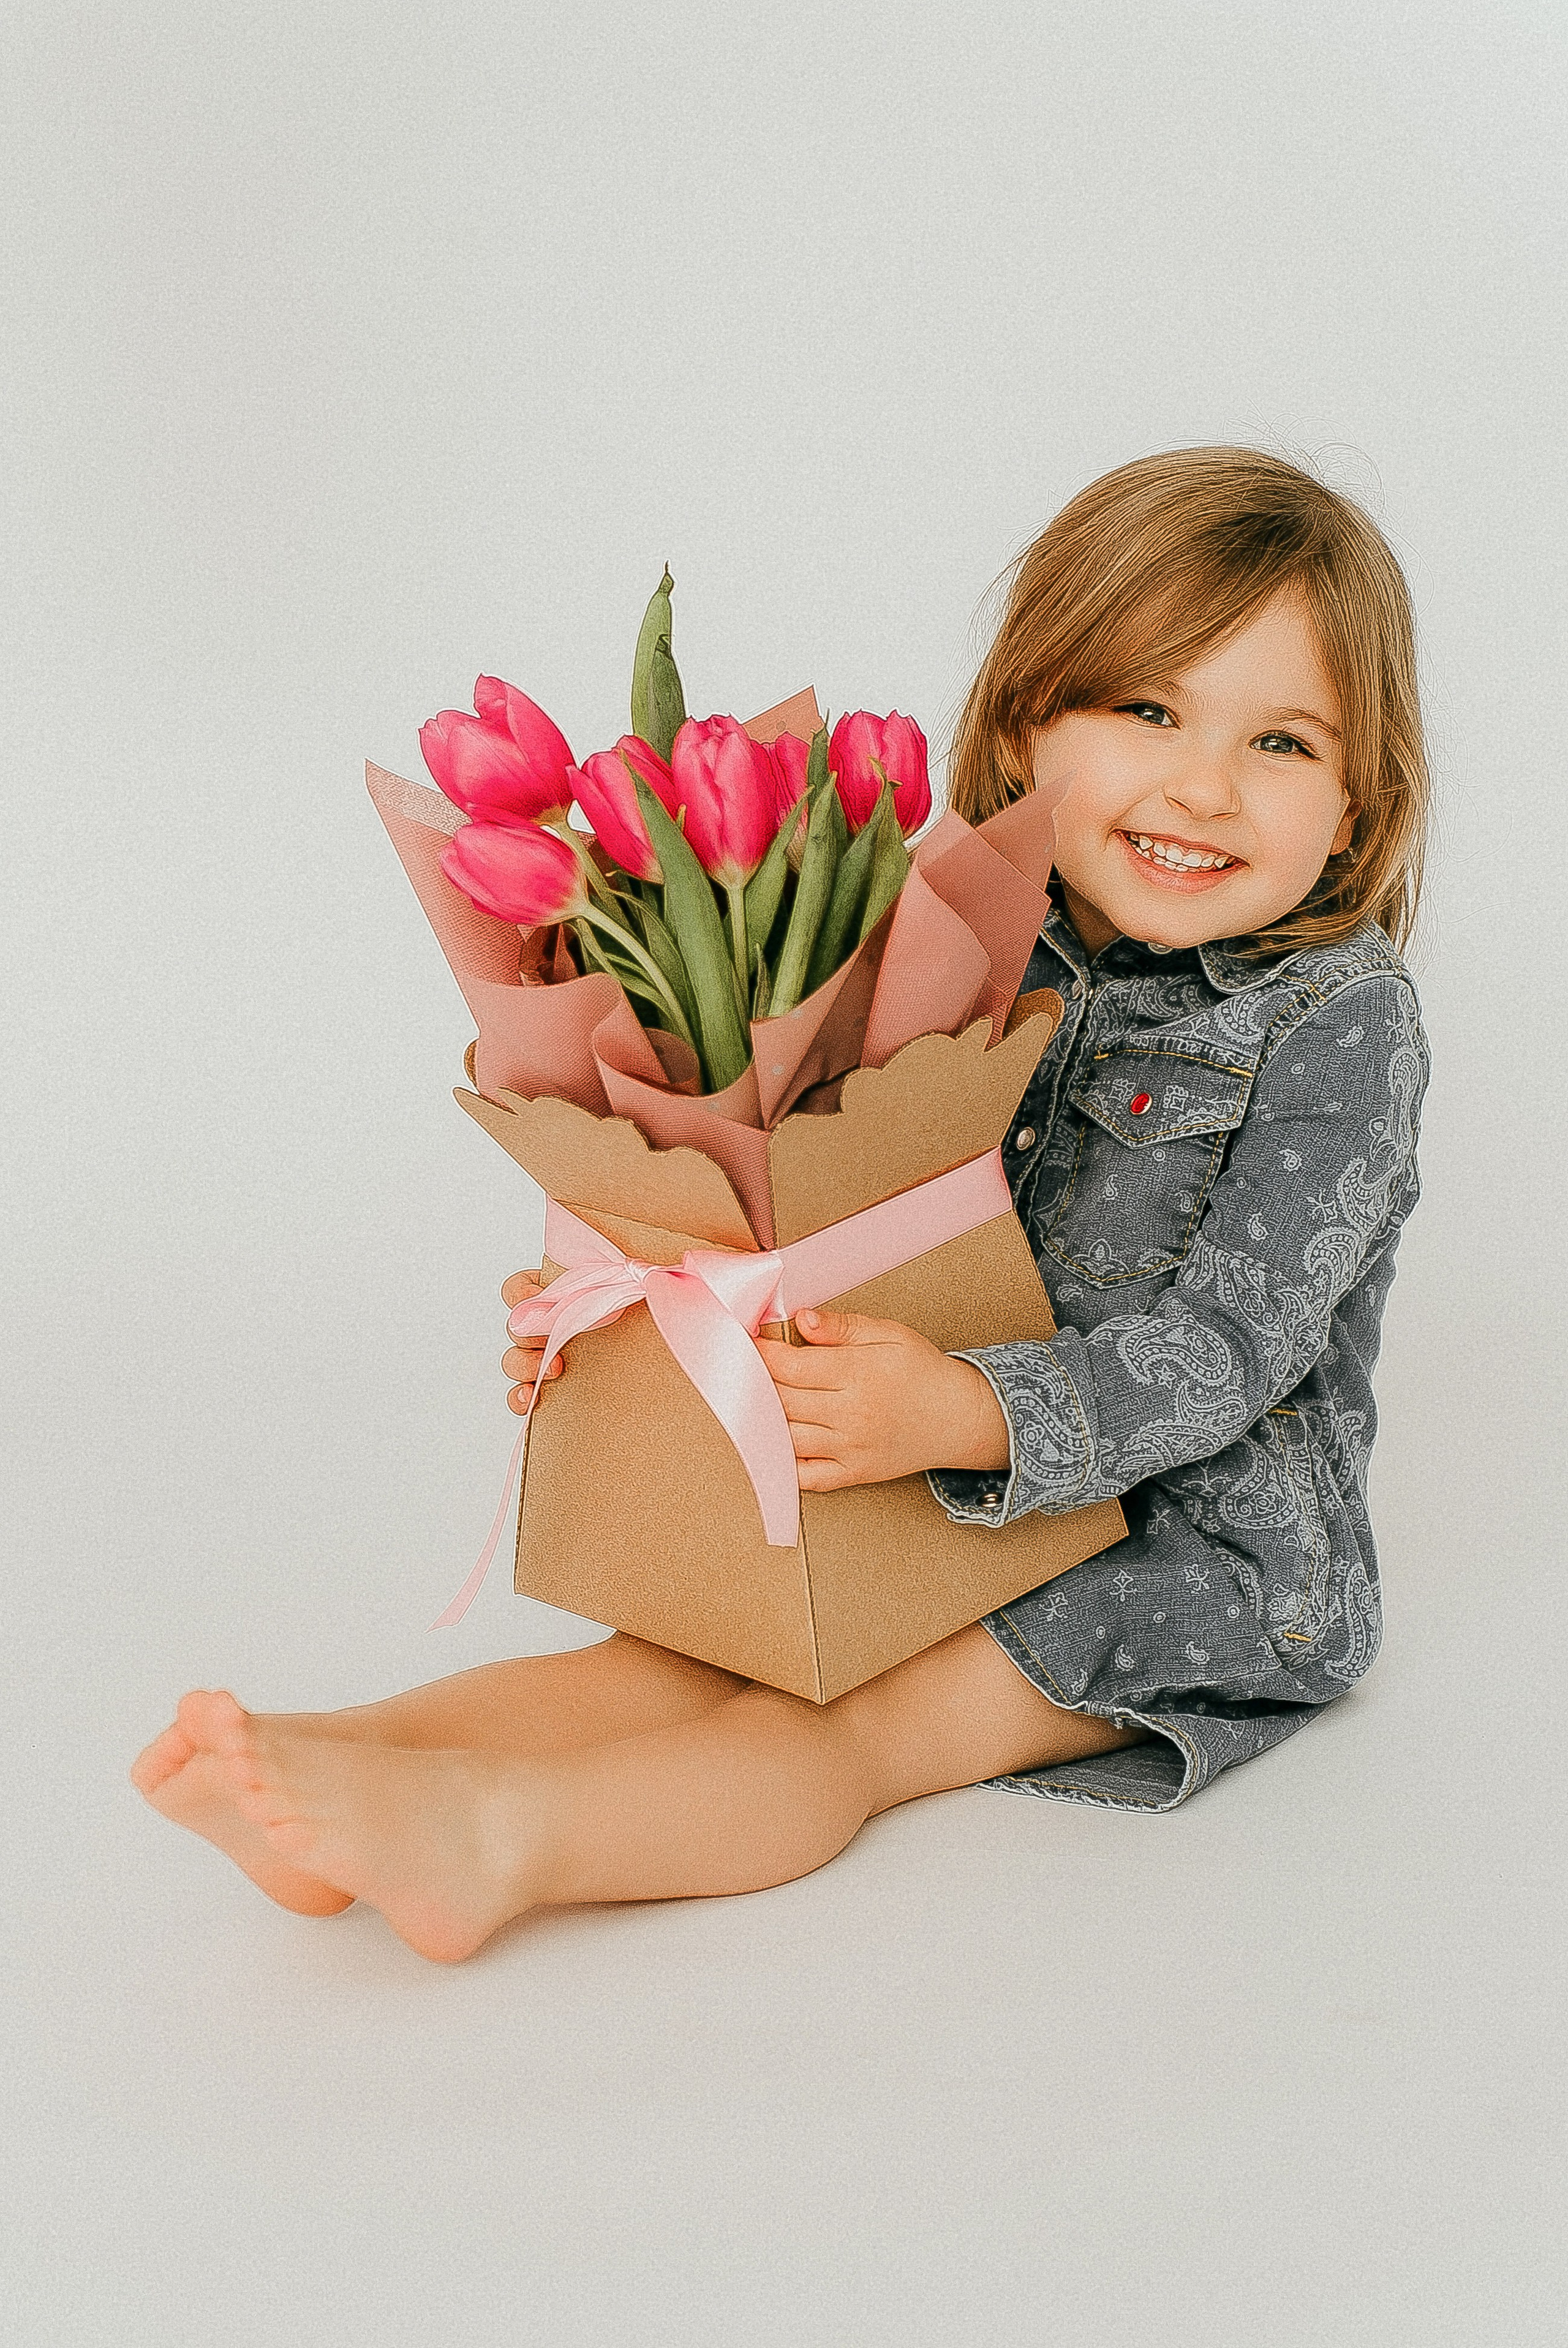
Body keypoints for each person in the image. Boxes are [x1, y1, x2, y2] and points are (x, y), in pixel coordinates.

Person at [131, 447, 1432, 1963]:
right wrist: (634, 1311)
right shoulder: (961, 946)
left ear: (1354, 808)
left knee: (846, 1720)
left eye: (1279, 741)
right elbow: (846, 1220)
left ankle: (495, 1842)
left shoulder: (1338, 1020)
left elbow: (1231, 1346)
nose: (1202, 784)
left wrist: (960, 1413)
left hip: (1192, 1552)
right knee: (670, 1653)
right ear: (1025, 729)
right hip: (929, 1477)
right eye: (1147, 709)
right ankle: (352, 1759)